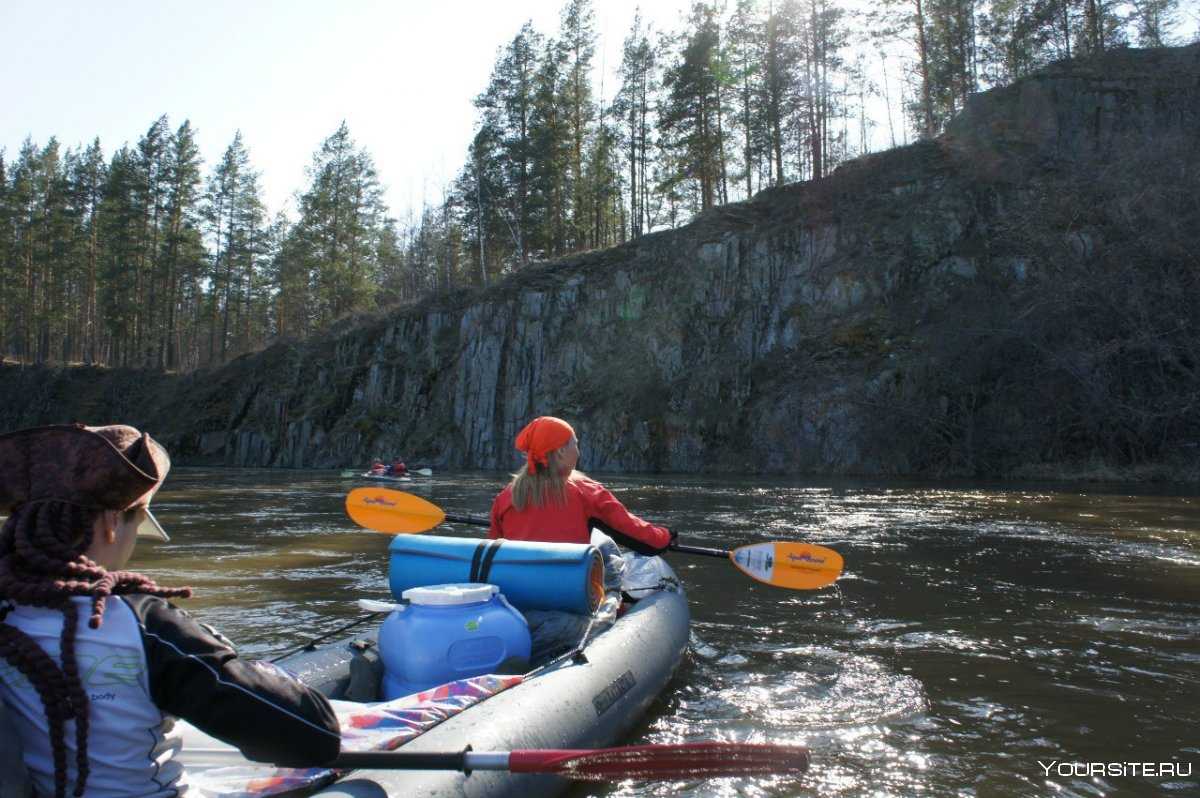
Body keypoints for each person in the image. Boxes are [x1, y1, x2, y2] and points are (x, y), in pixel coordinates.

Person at [0, 424, 340, 798]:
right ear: (113, 523)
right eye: (139, 519)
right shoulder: (144, 626)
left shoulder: (7, 611)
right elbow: (314, 736)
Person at [488, 416, 674, 555]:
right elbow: (640, 536)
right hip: (571, 595)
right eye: (575, 444)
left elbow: (493, 554)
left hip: (518, 593)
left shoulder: (505, 498)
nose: (578, 452)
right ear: (561, 451)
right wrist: (666, 536)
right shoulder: (587, 493)